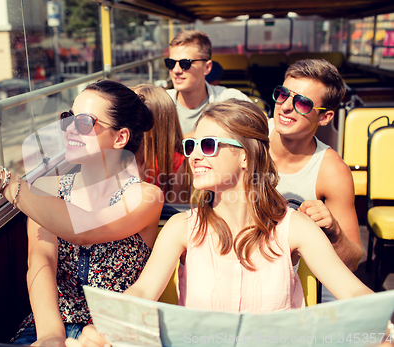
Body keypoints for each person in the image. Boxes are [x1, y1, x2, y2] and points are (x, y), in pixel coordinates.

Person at [64, 99, 374, 347]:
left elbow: (354, 293)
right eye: (191, 146)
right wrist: (107, 327)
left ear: (246, 156)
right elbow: (143, 292)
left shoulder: (294, 227)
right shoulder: (181, 227)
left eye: (209, 145)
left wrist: (381, 330)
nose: (195, 156)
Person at [0, 79, 164, 346]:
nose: (70, 129)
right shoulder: (47, 191)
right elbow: (41, 263)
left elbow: (86, 229)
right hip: (48, 323)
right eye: (68, 118)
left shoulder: (145, 196)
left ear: (120, 137)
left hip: (113, 332)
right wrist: (51, 336)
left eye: (85, 122)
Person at [268, 59, 362, 302]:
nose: (286, 107)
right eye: (282, 94)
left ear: (325, 117)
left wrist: (334, 231)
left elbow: (352, 261)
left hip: (301, 286)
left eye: (302, 102)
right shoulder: (250, 136)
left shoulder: (331, 171)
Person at [164, 30, 252, 137]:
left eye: (185, 63)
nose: (176, 70)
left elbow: (263, 128)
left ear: (207, 67)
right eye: (171, 63)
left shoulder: (231, 100)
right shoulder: (160, 104)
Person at [131, 84, 191, 204]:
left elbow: (175, 212)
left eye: (131, 116)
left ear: (152, 125)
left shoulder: (175, 163)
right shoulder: (119, 153)